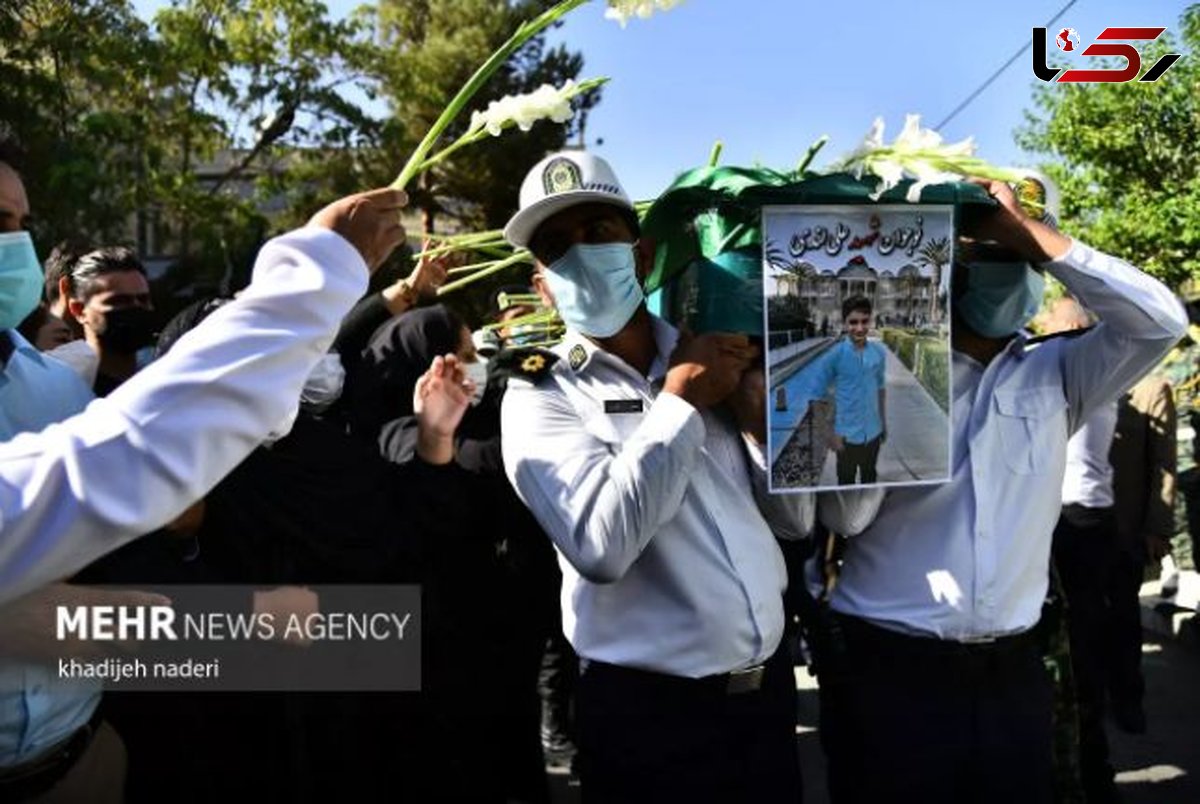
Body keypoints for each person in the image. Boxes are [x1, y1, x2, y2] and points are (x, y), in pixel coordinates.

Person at [816, 179, 1187, 803]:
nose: (1001, 266)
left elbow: (1160, 322)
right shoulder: (887, 366)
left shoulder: (1059, 371)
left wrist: (1031, 236)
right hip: (889, 669)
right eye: (981, 252)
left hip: (1012, 672)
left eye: (1013, 257)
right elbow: (846, 519)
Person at [500, 150, 813, 803]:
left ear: (641, 257)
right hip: (650, 722)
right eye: (556, 249)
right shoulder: (538, 394)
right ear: (541, 287)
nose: (580, 256)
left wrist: (760, 425)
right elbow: (600, 546)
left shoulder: (723, 351)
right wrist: (681, 402)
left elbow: (796, 522)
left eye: (598, 234)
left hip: (765, 705)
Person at [0, 185, 408, 606]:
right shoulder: (82, 384)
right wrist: (317, 275)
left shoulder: (58, 388)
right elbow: (118, 464)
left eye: (23, 225)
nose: (14, 245)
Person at [1109, 372, 1176, 733]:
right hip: (1074, 526)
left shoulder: (1152, 387)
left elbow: (1164, 465)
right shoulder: (1079, 374)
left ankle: (1127, 700)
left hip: (1125, 528)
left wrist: (1157, 527)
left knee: (1123, 621)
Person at [809, 295, 887, 485]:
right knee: (846, 481)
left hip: (873, 434)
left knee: (870, 476)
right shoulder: (834, 356)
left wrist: (883, 424)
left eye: (864, 321)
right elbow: (815, 397)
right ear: (845, 323)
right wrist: (827, 435)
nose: (859, 328)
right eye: (853, 322)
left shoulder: (878, 353)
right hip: (845, 438)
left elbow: (880, 389)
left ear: (870, 320)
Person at [62, 247, 155, 395]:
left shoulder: (165, 380)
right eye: (119, 301)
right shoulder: (63, 388)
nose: (136, 308)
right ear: (79, 310)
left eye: (143, 300)